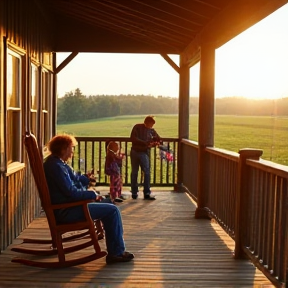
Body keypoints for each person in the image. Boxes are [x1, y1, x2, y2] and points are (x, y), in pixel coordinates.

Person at [43, 134, 134, 264]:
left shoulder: (57, 163)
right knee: (112, 211)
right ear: (63, 149)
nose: (72, 151)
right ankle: (116, 252)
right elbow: (71, 193)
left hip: (68, 206)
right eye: (71, 148)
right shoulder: (56, 167)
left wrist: (86, 180)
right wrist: (91, 194)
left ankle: (116, 248)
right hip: (67, 211)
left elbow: (74, 179)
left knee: (108, 202)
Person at [130, 115, 161, 200]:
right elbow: (133, 138)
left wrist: (155, 142)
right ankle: (143, 192)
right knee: (142, 172)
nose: (151, 126)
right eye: (151, 124)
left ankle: (135, 192)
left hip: (138, 152)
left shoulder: (151, 131)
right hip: (139, 152)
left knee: (137, 172)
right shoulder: (137, 127)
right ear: (147, 122)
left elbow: (159, 139)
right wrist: (145, 143)